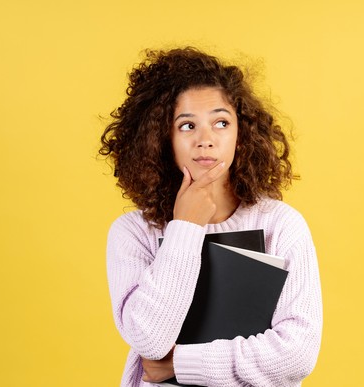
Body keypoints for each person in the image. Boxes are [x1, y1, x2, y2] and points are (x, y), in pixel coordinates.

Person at [100, 47, 322, 386]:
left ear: (241, 134)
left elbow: (297, 353)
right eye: (187, 125)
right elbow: (149, 340)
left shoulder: (281, 224)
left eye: (221, 122)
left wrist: (180, 363)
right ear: (163, 138)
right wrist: (185, 226)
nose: (206, 140)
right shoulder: (133, 232)